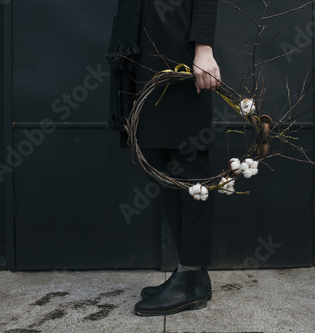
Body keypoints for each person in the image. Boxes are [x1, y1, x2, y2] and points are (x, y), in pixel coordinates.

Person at [107, 0, 221, 316]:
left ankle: (191, 276)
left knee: (191, 169)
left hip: (178, 50)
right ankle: (192, 274)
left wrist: (204, 49)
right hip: (145, 50)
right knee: (161, 164)